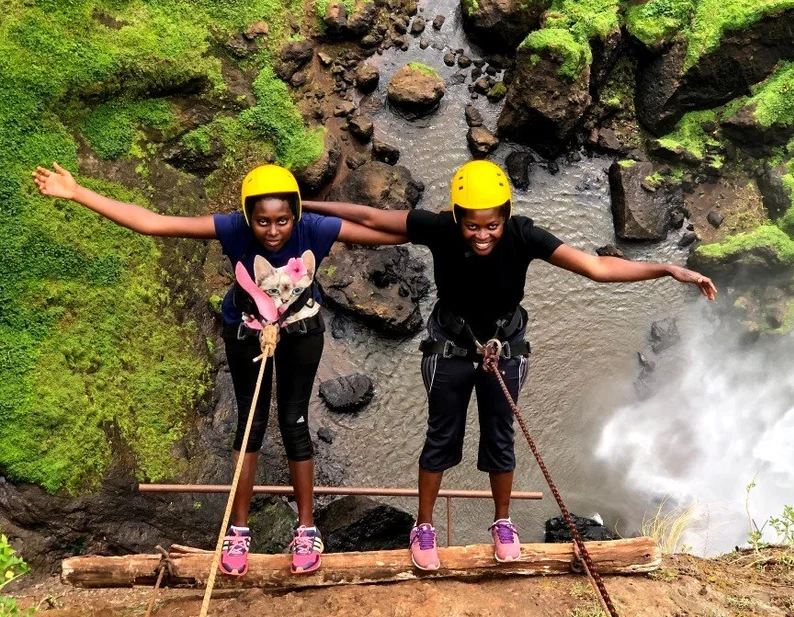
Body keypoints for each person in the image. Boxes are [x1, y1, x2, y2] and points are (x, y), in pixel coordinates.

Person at [303, 159, 717, 570]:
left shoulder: (524, 235)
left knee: (500, 437)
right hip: (451, 349)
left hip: (505, 350)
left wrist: (665, 269)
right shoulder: (439, 229)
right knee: (441, 438)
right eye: (472, 226)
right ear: (457, 217)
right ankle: (424, 527)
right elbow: (371, 219)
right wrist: (307, 208)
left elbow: (596, 267)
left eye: (492, 225)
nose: (482, 236)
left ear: (506, 216)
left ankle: (503, 523)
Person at [32, 162, 405, 577]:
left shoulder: (313, 228)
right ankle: (238, 529)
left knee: (295, 421)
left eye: (282, 220)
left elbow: (385, 232)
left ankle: (306, 528)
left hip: (301, 331)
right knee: (249, 423)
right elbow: (154, 224)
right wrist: (79, 192)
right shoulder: (232, 229)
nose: (273, 230)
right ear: (248, 217)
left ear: (295, 214)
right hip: (247, 331)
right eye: (262, 221)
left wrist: (452, 228)